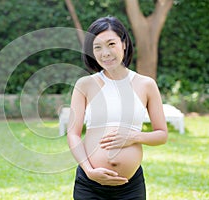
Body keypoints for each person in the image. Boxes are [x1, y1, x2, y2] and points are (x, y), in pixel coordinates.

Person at [67, 16, 168, 200]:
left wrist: (134, 137)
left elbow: (162, 134)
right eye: (97, 47)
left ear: (124, 44)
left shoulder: (146, 84)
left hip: (130, 188)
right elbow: (73, 134)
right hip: (89, 185)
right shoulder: (85, 85)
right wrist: (89, 171)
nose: (105, 53)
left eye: (110, 44)